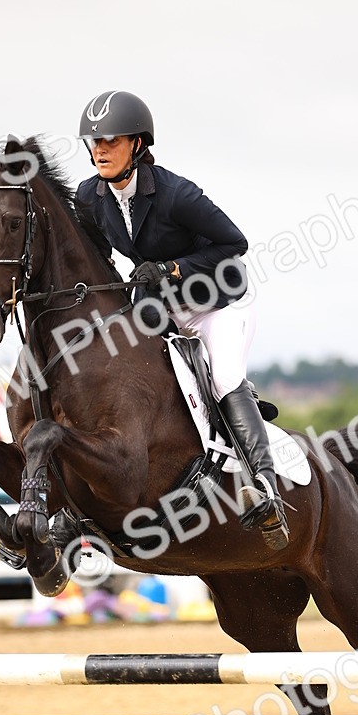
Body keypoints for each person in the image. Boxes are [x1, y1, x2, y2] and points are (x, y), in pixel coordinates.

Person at [73, 90, 289, 548]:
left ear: (137, 144)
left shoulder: (176, 194)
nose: (100, 150)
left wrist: (172, 268)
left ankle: (265, 487)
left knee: (224, 378)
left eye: (111, 140)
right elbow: (97, 255)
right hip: (160, 307)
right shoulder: (90, 197)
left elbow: (234, 243)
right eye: (94, 141)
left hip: (217, 303)